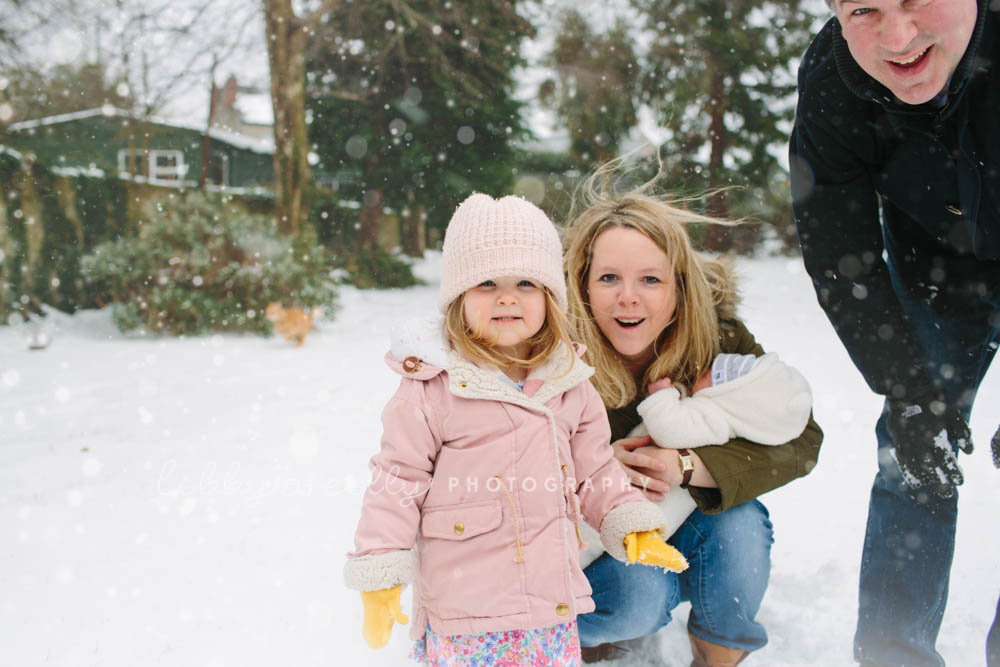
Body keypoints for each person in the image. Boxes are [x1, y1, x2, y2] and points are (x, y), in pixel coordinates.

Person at [343, 193, 689, 666]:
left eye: (526, 282)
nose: (507, 297)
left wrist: (627, 522)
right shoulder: (431, 389)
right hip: (466, 613)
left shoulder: (569, 383)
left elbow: (597, 471)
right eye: (487, 282)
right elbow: (397, 481)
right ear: (459, 298)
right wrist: (381, 570)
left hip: (550, 607)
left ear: (549, 297)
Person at [789, 1, 1000, 664]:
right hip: (934, 262)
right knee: (914, 452)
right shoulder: (834, 80)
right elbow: (835, 242)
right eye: (867, 10)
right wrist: (907, 385)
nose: (899, 37)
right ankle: (893, 655)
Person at [563, 170, 823, 666]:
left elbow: (801, 437)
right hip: (599, 537)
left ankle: (718, 651)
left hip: (686, 515)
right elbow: (495, 454)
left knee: (739, 525)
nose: (629, 297)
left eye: (651, 279)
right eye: (609, 278)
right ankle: (575, 636)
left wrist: (686, 465)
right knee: (639, 597)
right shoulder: (554, 350)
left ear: (679, 287)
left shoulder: (716, 338)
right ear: (583, 284)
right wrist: (589, 467)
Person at [578, 351, 815, 570]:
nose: (708, 369)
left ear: (732, 394)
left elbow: (669, 429)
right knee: (590, 532)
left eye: (717, 376)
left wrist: (661, 397)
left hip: (642, 500)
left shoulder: (714, 420)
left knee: (590, 537)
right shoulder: (721, 416)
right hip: (619, 494)